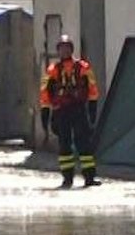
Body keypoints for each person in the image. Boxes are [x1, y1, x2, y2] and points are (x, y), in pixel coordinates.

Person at [39, 35, 101, 188]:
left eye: (67, 48)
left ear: (71, 50)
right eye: (61, 49)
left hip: (79, 110)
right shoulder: (52, 70)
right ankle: (67, 178)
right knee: (64, 145)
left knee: (84, 144)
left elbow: (92, 88)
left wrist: (92, 109)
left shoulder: (83, 67)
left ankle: (89, 177)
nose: (64, 51)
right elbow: (44, 93)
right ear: (58, 51)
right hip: (61, 112)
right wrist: (45, 114)